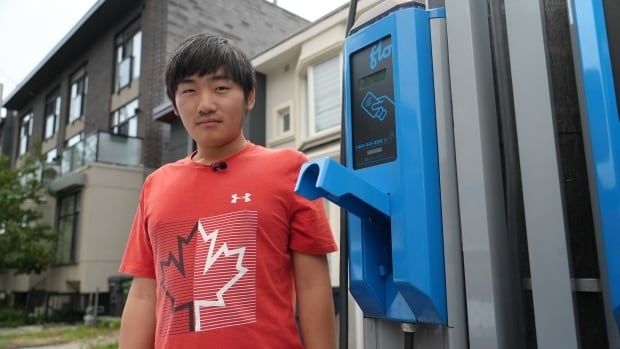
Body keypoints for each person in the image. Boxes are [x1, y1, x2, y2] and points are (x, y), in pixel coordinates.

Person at [119, 33, 337, 348]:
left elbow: (314, 286)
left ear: (249, 97)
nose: (205, 104)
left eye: (221, 88)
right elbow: (142, 294)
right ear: (176, 106)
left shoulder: (291, 169)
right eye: (189, 91)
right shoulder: (156, 184)